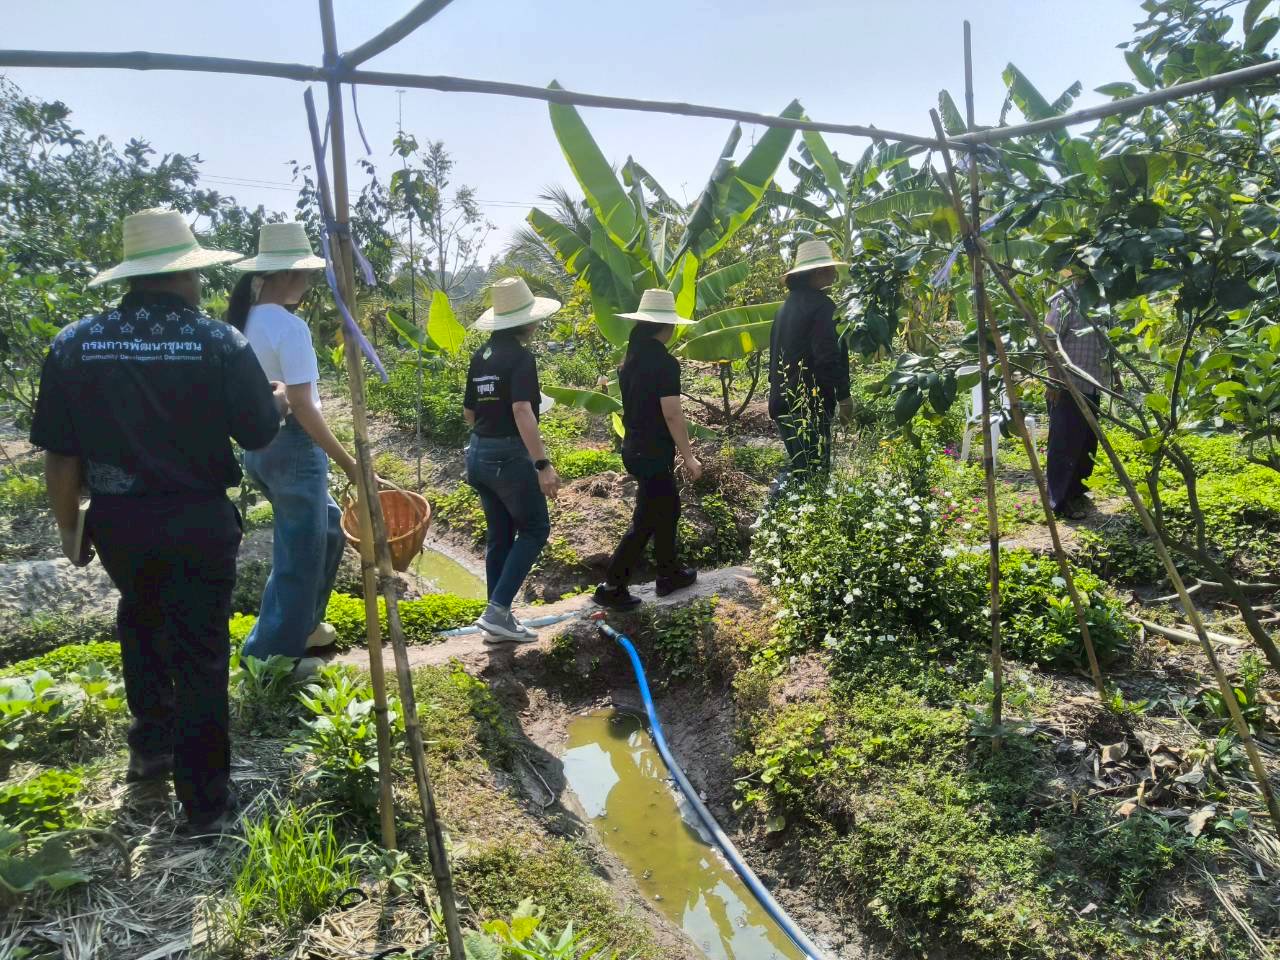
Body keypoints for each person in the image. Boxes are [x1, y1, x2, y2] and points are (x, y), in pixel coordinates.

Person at [28, 208, 287, 836]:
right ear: (188, 275)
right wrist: (275, 402)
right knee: (199, 652)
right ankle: (203, 806)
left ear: (132, 277)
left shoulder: (74, 343)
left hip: (119, 521)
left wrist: (70, 531)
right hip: (197, 518)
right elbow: (255, 430)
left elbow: (60, 456)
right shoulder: (220, 342)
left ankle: (150, 749)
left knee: (140, 618)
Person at [226, 222, 358, 678]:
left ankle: (303, 626)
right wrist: (351, 464)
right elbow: (301, 405)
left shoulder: (241, 322)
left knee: (327, 530)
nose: (309, 282)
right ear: (285, 276)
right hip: (293, 446)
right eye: (304, 273)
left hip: (261, 448)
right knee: (299, 553)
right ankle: (269, 657)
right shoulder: (289, 326)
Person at [591, 290, 704, 611]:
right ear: (665, 326)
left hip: (635, 448)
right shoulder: (664, 363)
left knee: (666, 510)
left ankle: (669, 573)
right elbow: (672, 413)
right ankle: (612, 585)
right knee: (646, 521)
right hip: (654, 452)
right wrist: (689, 455)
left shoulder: (630, 361)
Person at [463, 277, 561, 642]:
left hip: (479, 453)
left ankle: (496, 618)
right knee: (535, 529)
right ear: (524, 321)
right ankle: (498, 610)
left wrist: (486, 441)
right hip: (507, 454)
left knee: (500, 535)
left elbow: (470, 412)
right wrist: (541, 464)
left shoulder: (481, 356)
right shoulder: (520, 357)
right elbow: (522, 409)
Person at [767, 239, 853, 487]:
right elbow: (827, 356)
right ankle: (771, 518)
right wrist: (843, 396)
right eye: (831, 269)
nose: (835, 274)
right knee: (813, 474)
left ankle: (771, 520)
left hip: (782, 400)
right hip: (808, 404)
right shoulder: (822, 306)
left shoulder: (784, 308)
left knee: (799, 468)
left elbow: (775, 359)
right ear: (818, 273)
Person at [1045, 280, 1110, 520]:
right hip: (1067, 385)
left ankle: (1077, 493)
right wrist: (1053, 379)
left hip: (1091, 384)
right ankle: (1060, 500)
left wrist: (1115, 377)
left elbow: (1105, 344)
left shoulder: (1101, 299)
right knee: (1065, 444)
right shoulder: (1064, 299)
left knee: (1085, 444)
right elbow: (1049, 339)